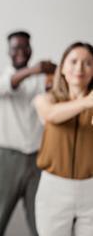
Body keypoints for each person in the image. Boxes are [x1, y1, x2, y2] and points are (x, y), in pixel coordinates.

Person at [0, 30, 56, 236]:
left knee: (41, 222)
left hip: (37, 158)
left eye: (25, 47)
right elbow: (10, 84)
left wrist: (53, 70)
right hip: (6, 158)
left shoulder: (42, 80)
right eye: (16, 47)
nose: (21, 52)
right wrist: (34, 70)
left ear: (31, 49)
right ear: (8, 51)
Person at [33, 42, 93, 236]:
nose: (79, 68)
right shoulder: (46, 99)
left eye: (88, 63)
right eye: (74, 61)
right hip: (54, 189)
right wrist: (86, 102)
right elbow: (50, 114)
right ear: (63, 68)